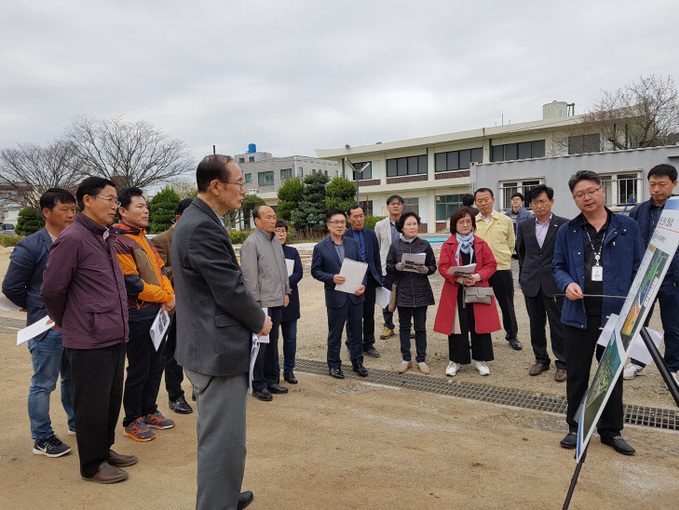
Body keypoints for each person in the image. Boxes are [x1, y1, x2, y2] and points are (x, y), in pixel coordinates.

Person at [172, 154, 270, 510]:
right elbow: (228, 288)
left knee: (218, 434)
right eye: (239, 183)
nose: (244, 190)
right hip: (216, 348)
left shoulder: (201, 220)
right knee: (223, 439)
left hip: (207, 344)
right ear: (215, 186)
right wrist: (259, 319)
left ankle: (224, 494)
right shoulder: (201, 226)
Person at [41, 177, 137, 484]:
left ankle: (104, 450)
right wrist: (64, 320)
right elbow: (52, 290)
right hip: (89, 337)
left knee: (110, 400)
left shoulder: (104, 236)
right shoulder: (73, 238)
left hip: (113, 332)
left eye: (116, 200)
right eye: (109, 199)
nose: (115, 206)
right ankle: (92, 464)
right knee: (91, 404)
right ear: (87, 200)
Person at [552, 170, 644, 455]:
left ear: (602, 191)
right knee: (578, 373)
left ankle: (610, 430)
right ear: (574, 199)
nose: (586, 198)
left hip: (614, 314)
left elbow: (641, 267)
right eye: (579, 195)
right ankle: (575, 426)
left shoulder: (628, 226)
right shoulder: (568, 230)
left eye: (590, 191)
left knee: (610, 374)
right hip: (578, 314)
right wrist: (567, 284)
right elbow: (557, 267)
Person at [3, 188, 76, 458]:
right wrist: (36, 305)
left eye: (73, 209)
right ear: (46, 212)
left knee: (73, 378)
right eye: (64, 210)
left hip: (74, 324)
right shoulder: (31, 245)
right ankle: (42, 437)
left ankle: (75, 422)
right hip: (46, 327)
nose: (71, 215)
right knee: (44, 383)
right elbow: (11, 286)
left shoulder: (76, 240)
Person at [113, 187, 176, 441]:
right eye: (139, 206)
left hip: (157, 312)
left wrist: (168, 296)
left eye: (146, 206)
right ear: (123, 211)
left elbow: (161, 273)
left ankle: (149, 409)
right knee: (139, 368)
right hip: (137, 314)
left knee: (156, 365)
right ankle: (132, 419)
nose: (145, 210)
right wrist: (166, 297)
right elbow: (132, 284)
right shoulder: (118, 240)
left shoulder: (142, 237)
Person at [624, 164, 679, 384]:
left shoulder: (677, 209)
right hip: (645, 276)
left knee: (673, 326)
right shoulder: (639, 211)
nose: (656, 189)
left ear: (674, 184)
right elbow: (632, 244)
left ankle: (672, 368)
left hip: (672, 278)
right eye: (652, 184)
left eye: (662, 184)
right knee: (639, 322)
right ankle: (638, 362)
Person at [434, 207, 501, 376]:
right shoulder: (448, 244)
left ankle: (481, 360)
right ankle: (455, 360)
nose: (465, 225)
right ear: (454, 225)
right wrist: (459, 279)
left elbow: (491, 265)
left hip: (478, 289)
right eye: (461, 222)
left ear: (473, 224)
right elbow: (442, 267)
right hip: (455, 290)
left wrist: (477, 277)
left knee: (480, 325)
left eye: (468, 222)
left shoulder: (481, 243)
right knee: (457, 326)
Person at [516, 185, 568, 382]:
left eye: (543, 201)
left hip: (554, 283)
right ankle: (541, 359)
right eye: (535, 202)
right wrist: (524, 276)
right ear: (531, 205)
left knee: (558, 325)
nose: (539, 206)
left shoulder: (564, 225)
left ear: (551, 202)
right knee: (535, 324)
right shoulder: (524, 225)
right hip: (531, 283)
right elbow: (522, 253)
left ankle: (562, 363)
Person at [241, 205, 291, 402]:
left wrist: (287, 291)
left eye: (274, 217)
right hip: (262, 303)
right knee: (260, 345)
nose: (273, 220)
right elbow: (249, 277)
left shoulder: (275, 242)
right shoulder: (251, 243)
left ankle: (271, 380)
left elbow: (283, 269)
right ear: (256, 221)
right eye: (268, 217)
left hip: (277, 300)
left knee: (273, 343)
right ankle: (258, 384)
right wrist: (255, 304)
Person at [311, 209, 368, 379]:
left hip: (355, 295)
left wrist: (363, 285)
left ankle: (358, 363)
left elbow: (361, 267)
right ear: (329, 225)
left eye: (342, 222)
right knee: (335, 333)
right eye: (336, 222)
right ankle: (334, 365)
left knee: (356, 332)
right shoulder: (320, 247)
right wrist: (332, 278)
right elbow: (315, 271)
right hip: (336, 297)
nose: (340, 225)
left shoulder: (353, 244)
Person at [151, 198, 194, 414]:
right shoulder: (161, 240)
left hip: (195, 305)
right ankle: (175, 395)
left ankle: (198, 386)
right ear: (179, 218)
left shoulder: (197, 237)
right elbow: (158, 273)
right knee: (173, 353)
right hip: (173, 307)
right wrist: (187, 270)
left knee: (196, 348)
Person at [386, 212, 437, 374]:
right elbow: (388, 266)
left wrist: (426, 269)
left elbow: (433, 266)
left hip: (422, 291)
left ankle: (421, 359)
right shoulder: (395, 246)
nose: (412, 227)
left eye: (415, 223)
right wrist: (396, 267)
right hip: (403, 291)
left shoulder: (424, 244)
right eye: (409, 224)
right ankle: (406, 359)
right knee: (404, 327)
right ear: (402, 227)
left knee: (421, 328)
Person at [474, 188, 522, 351]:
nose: (483, 203)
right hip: (480, 272)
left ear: (493, 200)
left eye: (486, 199)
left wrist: (504, 256)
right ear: (475, 203)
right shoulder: (473, 222)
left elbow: (511, 243)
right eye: (479, 200)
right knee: (480, 304)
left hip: (501, 268)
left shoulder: (505, 220)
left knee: (507, 304)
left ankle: (512, 335)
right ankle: (480, 336)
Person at [345, 204, 383, 358]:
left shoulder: (370, 234)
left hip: (369, 279)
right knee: (352, 315)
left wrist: (379, 278)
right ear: (349, 219)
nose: (359, 219)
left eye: (361, 216)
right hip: (352, 279)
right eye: (356, 216)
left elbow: (376, 258)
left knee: (369, 313)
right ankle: (353, 345)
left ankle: (368, 344)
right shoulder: (345, 235)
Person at [274, 219, 303, 384]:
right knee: (273, 339)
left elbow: (299, 272)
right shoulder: (268, 251)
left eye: (283, 231)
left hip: (290, 300)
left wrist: (285, 283)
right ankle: (275, 370)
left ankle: (289, 370)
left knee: (290, 338)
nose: (281, 234)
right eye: (277, 231)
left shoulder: (292, 252)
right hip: (273, 300)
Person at [374, 194, 404, 339]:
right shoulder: (380, 225)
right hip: (386, 267)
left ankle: (407, 325)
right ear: (388, 207)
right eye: (393, 203)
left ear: (402, 206)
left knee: (406, 298)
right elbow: (377, 247)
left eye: (398, 203)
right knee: (386, 298)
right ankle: (388, 326)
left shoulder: (408, 223)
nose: (396, 206)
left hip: (405, 268)